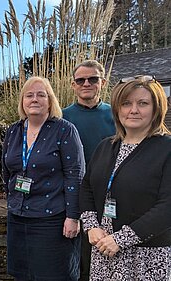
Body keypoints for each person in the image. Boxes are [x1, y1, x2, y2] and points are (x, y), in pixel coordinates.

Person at [79, 75, 171, 281]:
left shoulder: (166, 149)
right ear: (117, 109)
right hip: (104, 252)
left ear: (156, 108)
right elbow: (86, 188)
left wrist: (121, 239)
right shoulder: (106, 146)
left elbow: (167, 206)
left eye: (143, 103)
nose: (134, 110)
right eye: (126, 103)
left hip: (147, 257)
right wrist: (91, 226)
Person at [2, 76, 85, 281]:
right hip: (18, 218)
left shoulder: (64, 130)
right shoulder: (13, 131)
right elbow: (6, 171)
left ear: (50, 100)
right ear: (22, 101)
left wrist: (73, 216)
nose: (34, 99)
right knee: (23, 275)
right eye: (29, 95)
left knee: (53, 275)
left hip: (52, 220)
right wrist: (11, 202)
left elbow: (75, 175)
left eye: (41, 95)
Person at [62, 60, 116, 280]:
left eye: (92, 79)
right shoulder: (62, 117)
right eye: (80, 80)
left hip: (111, 194)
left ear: (102, 82)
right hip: (74, 195)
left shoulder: (117, 115)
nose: (86, 83)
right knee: (79, 256)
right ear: (73, 85)